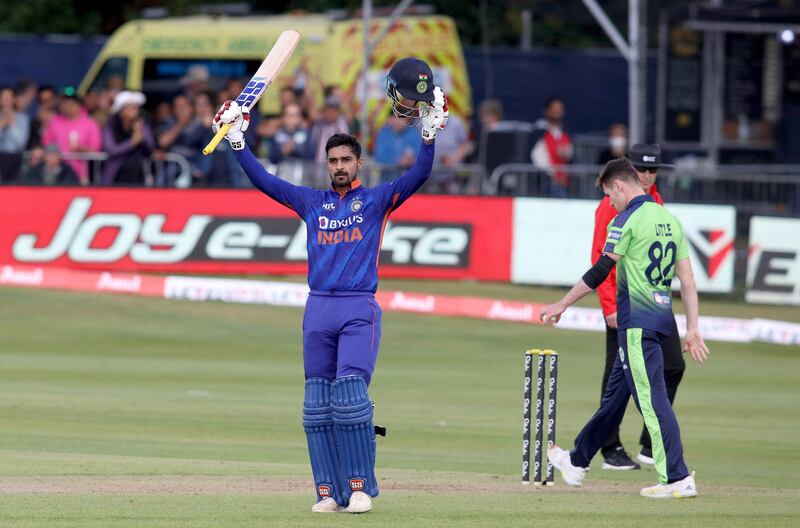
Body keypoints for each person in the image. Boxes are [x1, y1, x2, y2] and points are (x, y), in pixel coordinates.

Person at [211, 57, 448, 514]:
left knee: (351, 399)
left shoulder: (377, 200)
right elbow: (266, 182)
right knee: (316, 407)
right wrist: (238, 141)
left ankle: (360, 488)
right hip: (317, 308)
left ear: (359, 163)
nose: (339, 166)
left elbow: (418, 175)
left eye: (346, 160)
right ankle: (328, 492)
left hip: (358, 307)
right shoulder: (312, 202)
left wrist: (428, 134)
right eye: (333, 161)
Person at [540, 157, 710, 499]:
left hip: (638, 324)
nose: (610, 202)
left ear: (619, 185)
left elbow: (600, 271)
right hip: (664, 320)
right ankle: (577, 461)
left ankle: (676, 478)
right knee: (617, 396)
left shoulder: (626, 220)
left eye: (609, 195)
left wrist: (562, 304)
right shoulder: (668, 218)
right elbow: (688, 281)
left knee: (652, 400)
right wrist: (692, 328)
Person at [592, 143, 686, 470]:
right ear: (629, 172)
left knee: (673, 365)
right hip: (623, 302)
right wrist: (608, 307)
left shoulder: (656, 201)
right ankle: (608, 445)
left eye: (652, 170)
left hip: (654, 301)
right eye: (642, 169)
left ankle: (650, 443)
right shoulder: (612, 205)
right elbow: (599, 260)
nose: (647, 175)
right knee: (617, 379)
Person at [41, 88, 102, 186]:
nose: (66, 106)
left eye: (70, 103)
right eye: (64, 103)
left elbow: (95, 148)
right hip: (58, 172)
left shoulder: (90, 123)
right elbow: (47, 144)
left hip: (81, 173)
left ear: (78, 105)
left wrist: (80, 149)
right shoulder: (54, 122)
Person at [101, 90, 156, 185]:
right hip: (116, 174)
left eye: (137, 108)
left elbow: (150, 148)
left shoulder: (141, 125)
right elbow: (111, 150)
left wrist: (141, 135)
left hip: (138, 173)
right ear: (121, 110)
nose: (136, 111)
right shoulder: (110, 126)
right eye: (132, 108)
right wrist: (132, 142)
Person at [531, 96, 573, 196]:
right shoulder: (539, 132)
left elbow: (570, 156)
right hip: (544, 181)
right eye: (554, 109)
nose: (557, 112)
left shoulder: (565, 133)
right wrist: (551, 174)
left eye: (560, 109)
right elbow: (536, 157)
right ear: (547, 111)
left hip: (563, 181)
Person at [0, 85, 30, 182]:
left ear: (14, 99)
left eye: (9, 98)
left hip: (15, 158)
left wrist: (12, 123)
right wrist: (1, 125)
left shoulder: (22, 118)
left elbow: (21, 143)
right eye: (3, 98)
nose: (6, 101)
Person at [308, 95, 350, 164]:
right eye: (328, 110)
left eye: (334, 110)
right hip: (318, 165)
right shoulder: (319, 123)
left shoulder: (341, 124)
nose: (331, 113)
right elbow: (312, 113)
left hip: (336, 166)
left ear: (338, 111)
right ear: (324, 111)